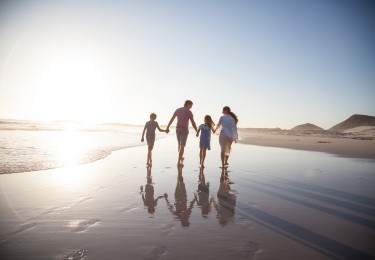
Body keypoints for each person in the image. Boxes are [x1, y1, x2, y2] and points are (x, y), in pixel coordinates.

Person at [166, 100, 198, 166]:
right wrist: (197, 131)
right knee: (182, 146)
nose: (191, 107)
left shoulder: (178, 110)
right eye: (191, 105)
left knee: (179, 144)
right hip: (184, 129)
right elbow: (193, 122)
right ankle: (179, 162)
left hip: (177, 129)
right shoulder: (189, 112)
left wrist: (168, 127)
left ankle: (180, 158)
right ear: (188, 104)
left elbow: (172, 119)